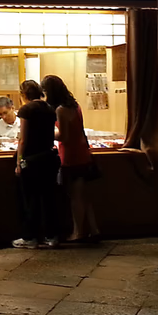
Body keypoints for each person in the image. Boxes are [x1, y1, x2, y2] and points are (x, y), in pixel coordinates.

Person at [41, 74, 101, 243]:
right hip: (83, 152)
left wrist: (47, 132)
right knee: (84, 195)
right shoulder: (75, 106)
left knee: (75, 196)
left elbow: (64, 136)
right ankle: (94, 229)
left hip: (70, 155)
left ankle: (78, 232)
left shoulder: (60, 110)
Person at [12, 80, 61, 249]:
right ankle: (51, 236)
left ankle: (30, 237)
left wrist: (19, 161)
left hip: (32, 159)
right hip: (48, 157)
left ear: (23, 94)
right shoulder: (49, 108)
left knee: (30, 199)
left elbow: (23, 138)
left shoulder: (26, 110)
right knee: (48, 198)